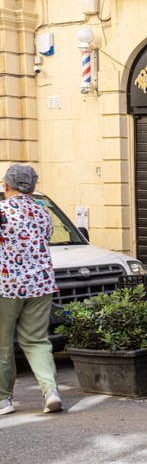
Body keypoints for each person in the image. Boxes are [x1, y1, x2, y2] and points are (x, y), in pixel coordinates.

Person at [0, 163, 61, 414]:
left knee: (2, 343)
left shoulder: (2, 210)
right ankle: (51, 392)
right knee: (37, 340)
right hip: (41, 284)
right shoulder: (43, 212)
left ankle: (3, 399)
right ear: (33, 187)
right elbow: (44, 240)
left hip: (6, 285)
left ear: (6, 186)